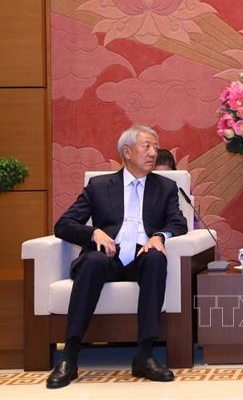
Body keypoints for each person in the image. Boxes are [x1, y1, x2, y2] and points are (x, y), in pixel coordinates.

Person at [47, 124, 188, 389]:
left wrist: (159, 236)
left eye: (156, 146)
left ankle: (145, 355)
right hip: (107, 256)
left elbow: (178, 222)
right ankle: (69, 356)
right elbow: (63, 224)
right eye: (146, 145)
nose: (153, 152)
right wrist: (94, 233)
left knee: (157, 258)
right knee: (92, 262)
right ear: (127, 151)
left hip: (141, 256)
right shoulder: (99, 186)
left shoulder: (166, 187)